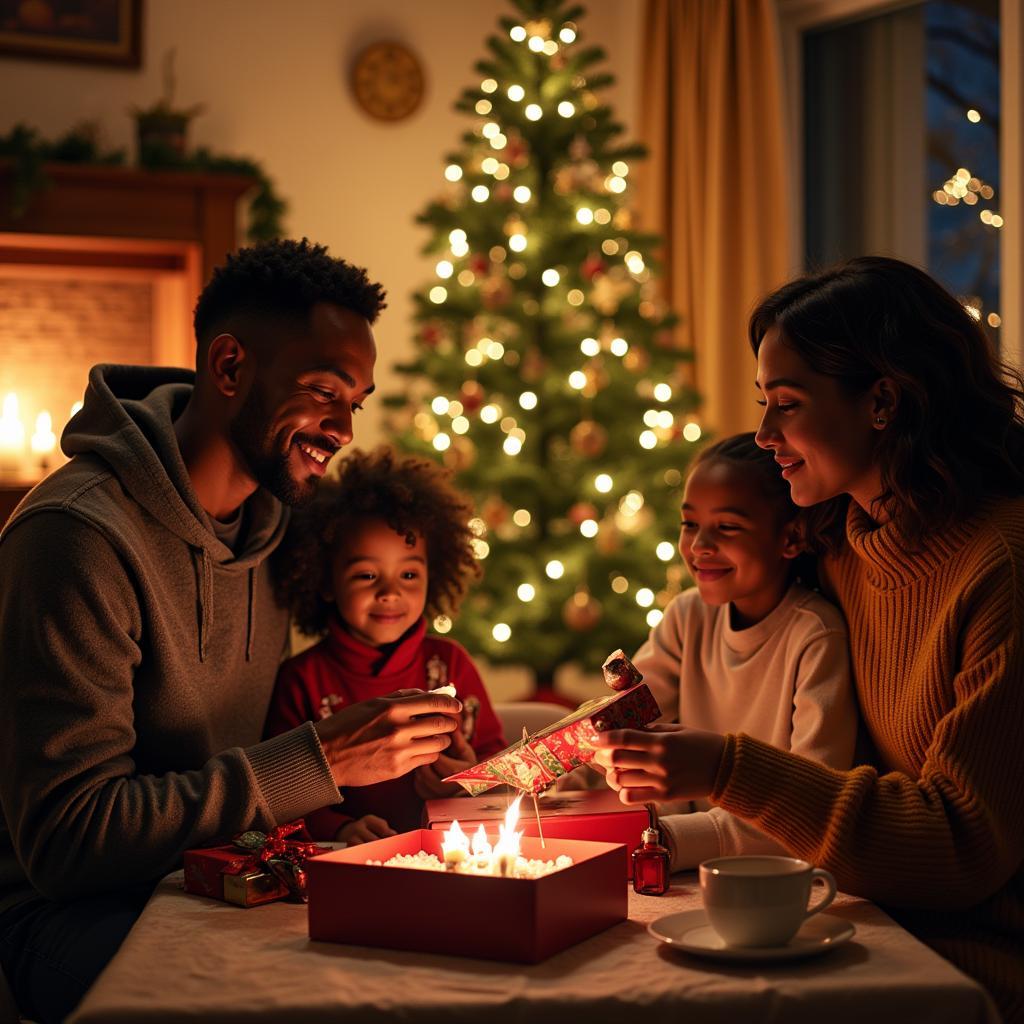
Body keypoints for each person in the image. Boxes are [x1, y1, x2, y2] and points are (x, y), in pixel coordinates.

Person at [0, 239, 461, 1024]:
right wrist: (318, 762)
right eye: (323, 390)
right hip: (77, 916)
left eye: (357, 399)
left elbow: (382, 604)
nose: (344, 427)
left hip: (239, 877)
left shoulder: (290, 527)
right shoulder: (75, 537)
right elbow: (68, 841)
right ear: (228, 367)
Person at [594, 256, 1024, 1022]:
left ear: (883, 402)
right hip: (849, 913)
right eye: (763, 404)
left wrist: (726, 767)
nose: (763, 436)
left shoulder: (1001, 565)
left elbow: (960, 848)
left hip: (967, 955)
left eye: (786, 405)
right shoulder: (839, 543)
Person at [631, 432, 855, 870]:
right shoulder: (686, 616)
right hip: (679, 858)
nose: (698, 547)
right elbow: (623, 721)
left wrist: (666, 840)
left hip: (759, 875)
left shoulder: (814, 636)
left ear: (790, 538)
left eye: (727, 527)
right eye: (689, 524)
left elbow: (812, 807)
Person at [266, 445, 507, 841]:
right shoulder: (301, 680)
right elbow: (281, 796)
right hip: (352, 868)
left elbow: (497, 770)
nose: (390, 592)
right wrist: (341, 828)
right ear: (326, 581)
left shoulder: (452, 664)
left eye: (409, 575)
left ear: (434, 573)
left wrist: (467, 778)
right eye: (366, 575)